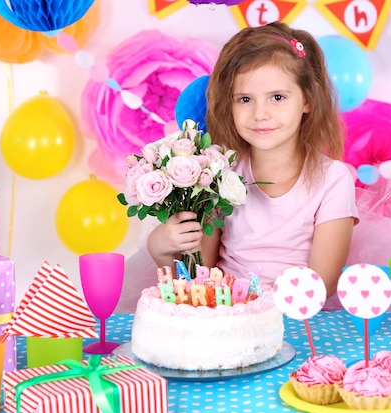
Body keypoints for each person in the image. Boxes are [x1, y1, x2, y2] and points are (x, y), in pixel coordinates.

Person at [147, 21, 359, 308]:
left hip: (300, 317)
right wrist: (160, 249)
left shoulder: (332, 179)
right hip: (227, 313)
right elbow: (199, 274)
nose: (260, 114)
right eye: (245, 99)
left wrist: (256, 306)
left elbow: (323, 282)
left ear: (307, 99)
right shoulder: (219, 170)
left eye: (277, 98)